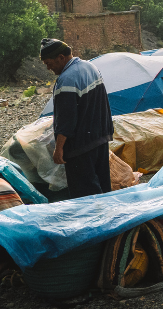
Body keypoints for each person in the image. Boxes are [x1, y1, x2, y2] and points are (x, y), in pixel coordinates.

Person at [40, 38, 113, 197]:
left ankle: (93, 214)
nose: (48, 68)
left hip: (80, 147)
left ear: (61, 57)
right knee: (103, 186)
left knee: (85, 194)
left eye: (49, 63)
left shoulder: (67, 79)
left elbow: (67, 118)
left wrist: (59, 148)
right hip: (100, 138)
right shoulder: (90, 67)